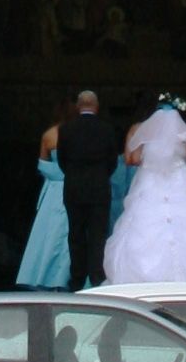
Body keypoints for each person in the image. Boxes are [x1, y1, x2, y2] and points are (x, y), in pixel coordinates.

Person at [105, 100, 186, 285]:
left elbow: (132, 158)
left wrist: (150, 160)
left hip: (150, 182)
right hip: (179, 180)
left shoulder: (143, 130)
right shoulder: (185, 131)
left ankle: (141, 275)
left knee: (142, 225)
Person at [54, 89, 119, 292]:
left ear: (78, 106)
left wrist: (75, 176)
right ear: (96, 106)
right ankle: (97, 277)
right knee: (98, 234)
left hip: (74, 188)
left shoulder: (66, 129)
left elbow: (62, 160)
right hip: (99, 188)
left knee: (76, 234)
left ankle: (77, 279)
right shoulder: (107, 129)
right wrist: (100, 176)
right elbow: (112, 161)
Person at [17, 132, 71, 290]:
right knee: (56, 234)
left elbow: (43, 165)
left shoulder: (50, 134)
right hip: (62, 189)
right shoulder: (53, 134)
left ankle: (50, 276)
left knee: (52, 235)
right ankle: (57, 278)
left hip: (56, 188)